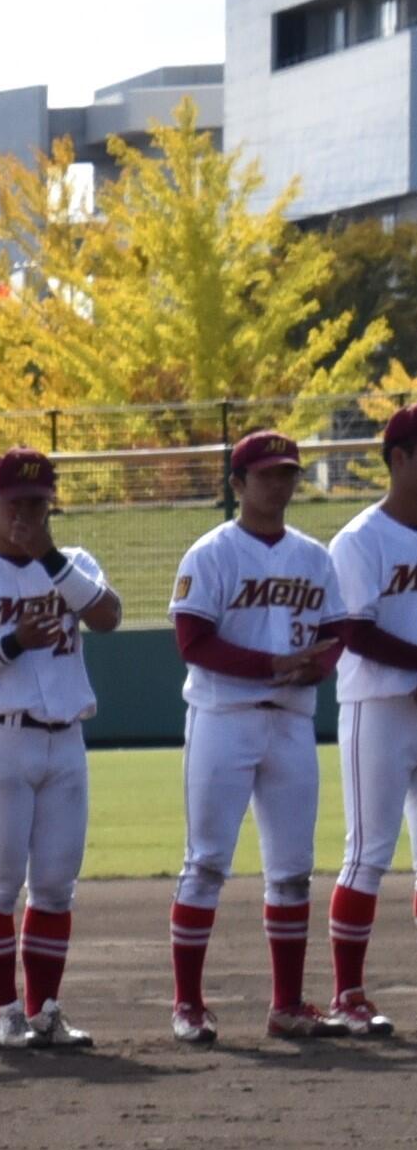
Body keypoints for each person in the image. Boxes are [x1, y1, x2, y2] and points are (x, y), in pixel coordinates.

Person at [0, 447, 122, 1050]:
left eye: (39, 503)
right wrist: (11, 644)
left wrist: (49, 556)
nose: (28, 514)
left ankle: (45, 1011)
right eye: (17, 502)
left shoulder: (72, 562)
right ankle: (5, 1012)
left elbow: (109, 616)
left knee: (57, 886)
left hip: (64, 737)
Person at [167, 431, 346, 1045]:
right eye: (267, 475)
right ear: (238, 484)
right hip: (224, 718)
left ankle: (288, 1004)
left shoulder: (314, 557)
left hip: (292, 721)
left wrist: (315, 667)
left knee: (293, 870)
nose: (280, 484)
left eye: (288, 473)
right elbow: (192, 641)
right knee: (207, 862)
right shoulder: (211, 553)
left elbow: (336, 631)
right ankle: (188, 1004)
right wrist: (273, 664)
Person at [320, 403, 417, 1038]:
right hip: (378, 706)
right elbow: (355, 631)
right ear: (400, 459)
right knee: (369, 853)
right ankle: (347, 994)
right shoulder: (360, 539)